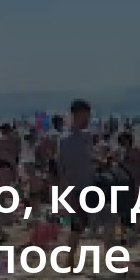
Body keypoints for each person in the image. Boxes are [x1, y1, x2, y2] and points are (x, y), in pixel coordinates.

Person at [56, 99, 95, 253]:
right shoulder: (64, 140)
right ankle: (70, 258)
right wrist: (63, 194)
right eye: (84, 116)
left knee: (88, 223)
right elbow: (61, 169)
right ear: (75, 115)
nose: (87, 120)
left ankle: (70, 257)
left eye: (88, 117)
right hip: (75, 188)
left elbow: (90, 159)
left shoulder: (87, 136)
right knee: (77, 225)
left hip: (90, 185)